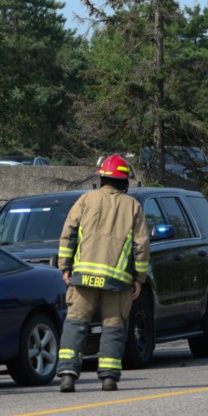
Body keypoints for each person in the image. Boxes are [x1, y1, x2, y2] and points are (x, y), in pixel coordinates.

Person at [56, 154, 150, 393]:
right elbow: (141, 246)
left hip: (83, 276)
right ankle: (108, 377)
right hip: (116, 280)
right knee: (113, 326)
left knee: (76, 323)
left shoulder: (85, 200)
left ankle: (67, 374)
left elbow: (69, 234)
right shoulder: (133, 206)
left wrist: (65, 266)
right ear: (125, 181)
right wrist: (139, 278)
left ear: (102, 179)